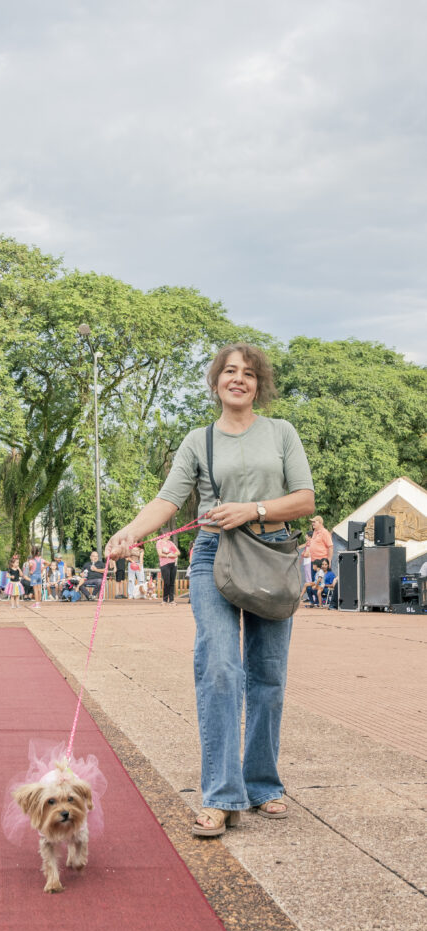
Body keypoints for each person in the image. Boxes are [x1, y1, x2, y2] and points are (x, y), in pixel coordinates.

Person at [105, 343, 315, 838]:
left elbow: (304, 499)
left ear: (258, 383)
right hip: (212, 559)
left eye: (248, 373)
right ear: (216, 381)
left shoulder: (281, 433)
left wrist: (253, 510)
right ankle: (222, 795)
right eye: (229, 372)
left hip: (272, 556)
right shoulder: (199, 441)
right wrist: (131, 532)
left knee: (268, 675)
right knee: (219, 666)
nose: (238, 379)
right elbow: (168, 499)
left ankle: (262, 783)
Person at [157, 534, 180, 605]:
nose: (170, 535)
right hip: (164, 564)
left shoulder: (171, 543)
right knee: (167, 582)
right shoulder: (159, 542)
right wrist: (168, 555)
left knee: (172, 582)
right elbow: (160, 554)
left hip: (173, 563)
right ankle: (164, 600)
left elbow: (178, 552)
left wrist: (173, 555)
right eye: (168, 534)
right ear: (164, 535)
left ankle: (172, 600)